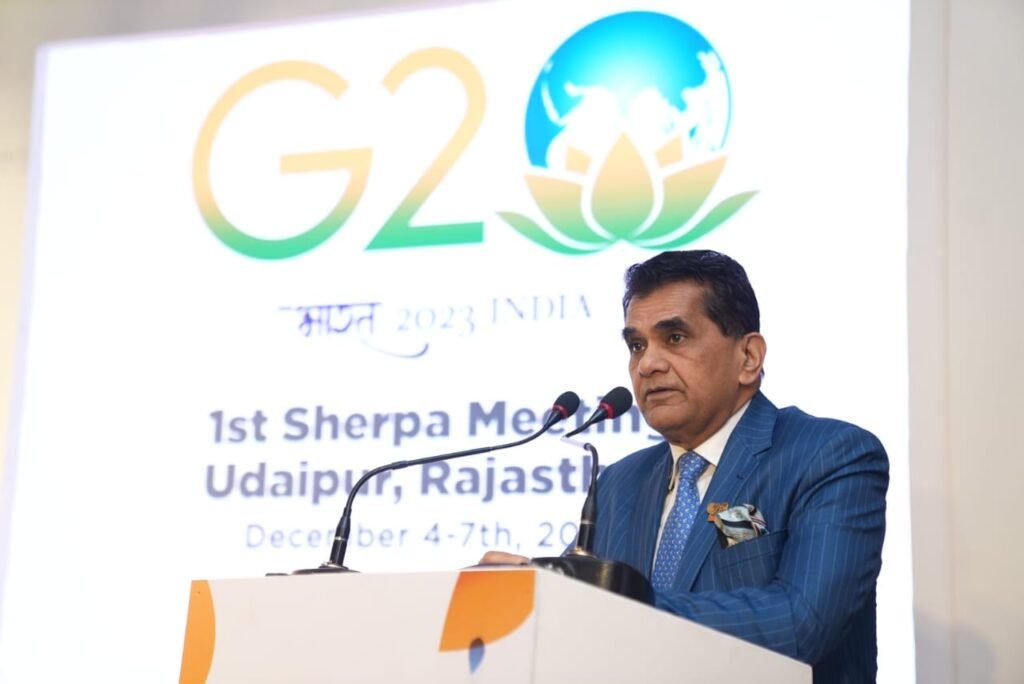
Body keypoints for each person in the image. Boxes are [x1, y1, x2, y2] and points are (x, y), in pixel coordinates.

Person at [483, 250, 888, 683]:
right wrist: (528, 595)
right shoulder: (620, 483)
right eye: (637, 345)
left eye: (674, 337)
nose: (647, 364)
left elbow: (802, 623)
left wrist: (618, 604)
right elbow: (573, 611)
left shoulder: (828, 455)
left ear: (749, 357)